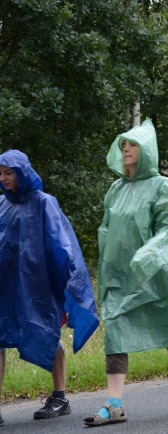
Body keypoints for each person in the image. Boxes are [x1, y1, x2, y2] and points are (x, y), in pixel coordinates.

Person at [85, 119, 168, 426]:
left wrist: (148, 254)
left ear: (146, 151)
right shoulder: (116, 189)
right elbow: (106, 231)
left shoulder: (162, 186)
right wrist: (107, 266)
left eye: (132, 144)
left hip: (153, 275)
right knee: (116, 333)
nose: (126, 149)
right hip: (121, 276)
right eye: (123, 145)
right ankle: (114, 404)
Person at [0, 150, 99, 424]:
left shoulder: (45, 203)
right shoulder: (1, 205)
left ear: (22, 172)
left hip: (39, 286)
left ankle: (59, 396)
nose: (4, 178)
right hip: (7, 286)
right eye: (1, 173)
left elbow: (62, 244)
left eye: (9, 172)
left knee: (47, 331)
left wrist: (69, 280)